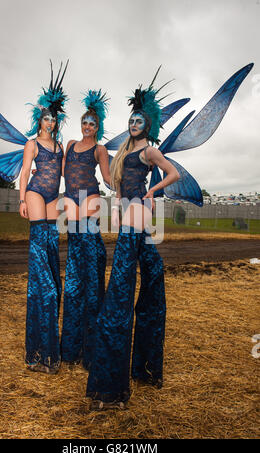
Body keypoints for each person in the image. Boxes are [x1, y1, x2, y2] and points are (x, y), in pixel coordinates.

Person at [86, 70, 180, 409]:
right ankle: (111, 388)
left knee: (154, 280)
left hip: (141, 219)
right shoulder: (125, 152)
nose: (134, 122)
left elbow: (174, 173)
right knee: (122, 296)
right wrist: (118, 209)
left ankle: (145, 369)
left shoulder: (150, 152)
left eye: (139, 118)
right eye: (131, 118)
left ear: (148, 123)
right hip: (130, 222)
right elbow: (120, 185)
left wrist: (153, 191)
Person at [19, 61, 68, 374]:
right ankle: (37, 352)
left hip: (54, 198)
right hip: (36, 194)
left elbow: (66, 173)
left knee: (53, 255)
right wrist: (22, 198)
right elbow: (25, 172)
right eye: (46, 117)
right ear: (40, 119)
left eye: (54, 118)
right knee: (41, 269)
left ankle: (49, 344)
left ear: (56, 120)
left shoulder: (60, 145)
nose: (49, 121)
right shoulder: (32, 144)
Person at [61, 89, 111, 369]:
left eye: (92, 124)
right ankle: (71, 347)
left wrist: (132, 179)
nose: (88, 127)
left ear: (97, 127)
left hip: (90, 195)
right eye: (85, 122)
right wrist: (39, 169)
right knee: (75, 257)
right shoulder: (69, 144)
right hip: (71, 198)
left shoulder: (99, 149)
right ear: (80, 125)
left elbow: (106, 177)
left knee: (90, 249)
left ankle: (92, 346)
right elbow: (63, 172)